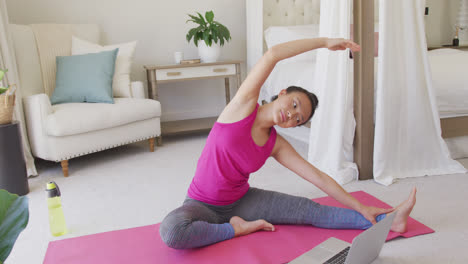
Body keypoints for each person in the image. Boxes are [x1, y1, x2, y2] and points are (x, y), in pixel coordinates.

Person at [159, 37, 417, 249]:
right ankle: (234, 229)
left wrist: (361, 206)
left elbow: (319, 178)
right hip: (201, 204)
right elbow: (273, 54)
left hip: (242, 201)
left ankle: (389, 221)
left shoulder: (275, 144)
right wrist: (325, 42)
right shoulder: (242, 106)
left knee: (310, 211)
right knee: (172, 232)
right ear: (282, 93)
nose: (292, 115)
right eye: (293, 105)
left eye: (298, 119)